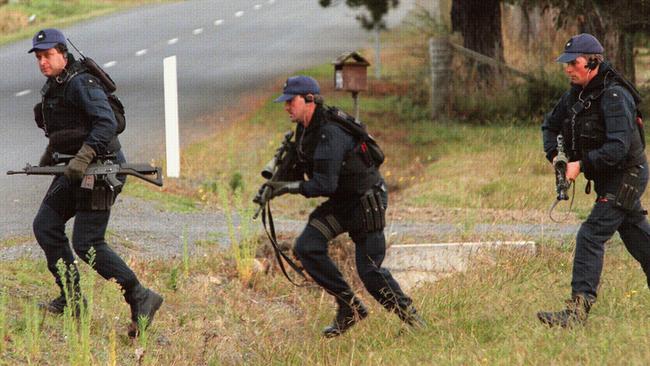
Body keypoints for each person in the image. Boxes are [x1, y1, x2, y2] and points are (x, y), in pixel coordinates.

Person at [266, 75, 425, 337]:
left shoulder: (331, 132)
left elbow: (324, 185)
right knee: (307, 246)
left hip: (365, 202)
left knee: (370, 272)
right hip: (343, 202)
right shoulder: (306, 130)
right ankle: (350, 308)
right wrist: (273, 187)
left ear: (309, 100)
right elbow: (302, 169)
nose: (286, 107)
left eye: (290, 101)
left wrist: (290, 189)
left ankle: (414, 321)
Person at [29, 28, 162, 337]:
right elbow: (63, 129)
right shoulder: (55, 86)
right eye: (38, 57)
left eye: (47, 56)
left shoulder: (81, 83)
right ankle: (72, 299)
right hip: (76, 171)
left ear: (63, 53)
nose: (42, 63)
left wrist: (83, 156)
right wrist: (51, 157)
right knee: (46, 225)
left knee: (87, 242)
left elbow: (106, 123)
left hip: (100, 172)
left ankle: (140, 296)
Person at [539, 33, 650, 327]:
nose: (567, 69)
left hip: (627, 176)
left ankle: (576, 314)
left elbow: (619, 148)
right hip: (609, 179)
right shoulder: (576, 94)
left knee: (590, 235)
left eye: (573, 63)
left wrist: (581, 164)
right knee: (640, 240)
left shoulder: (615, 96)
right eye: (565, 63)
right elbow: (549, 126)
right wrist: (556, 157)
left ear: (592, 62)